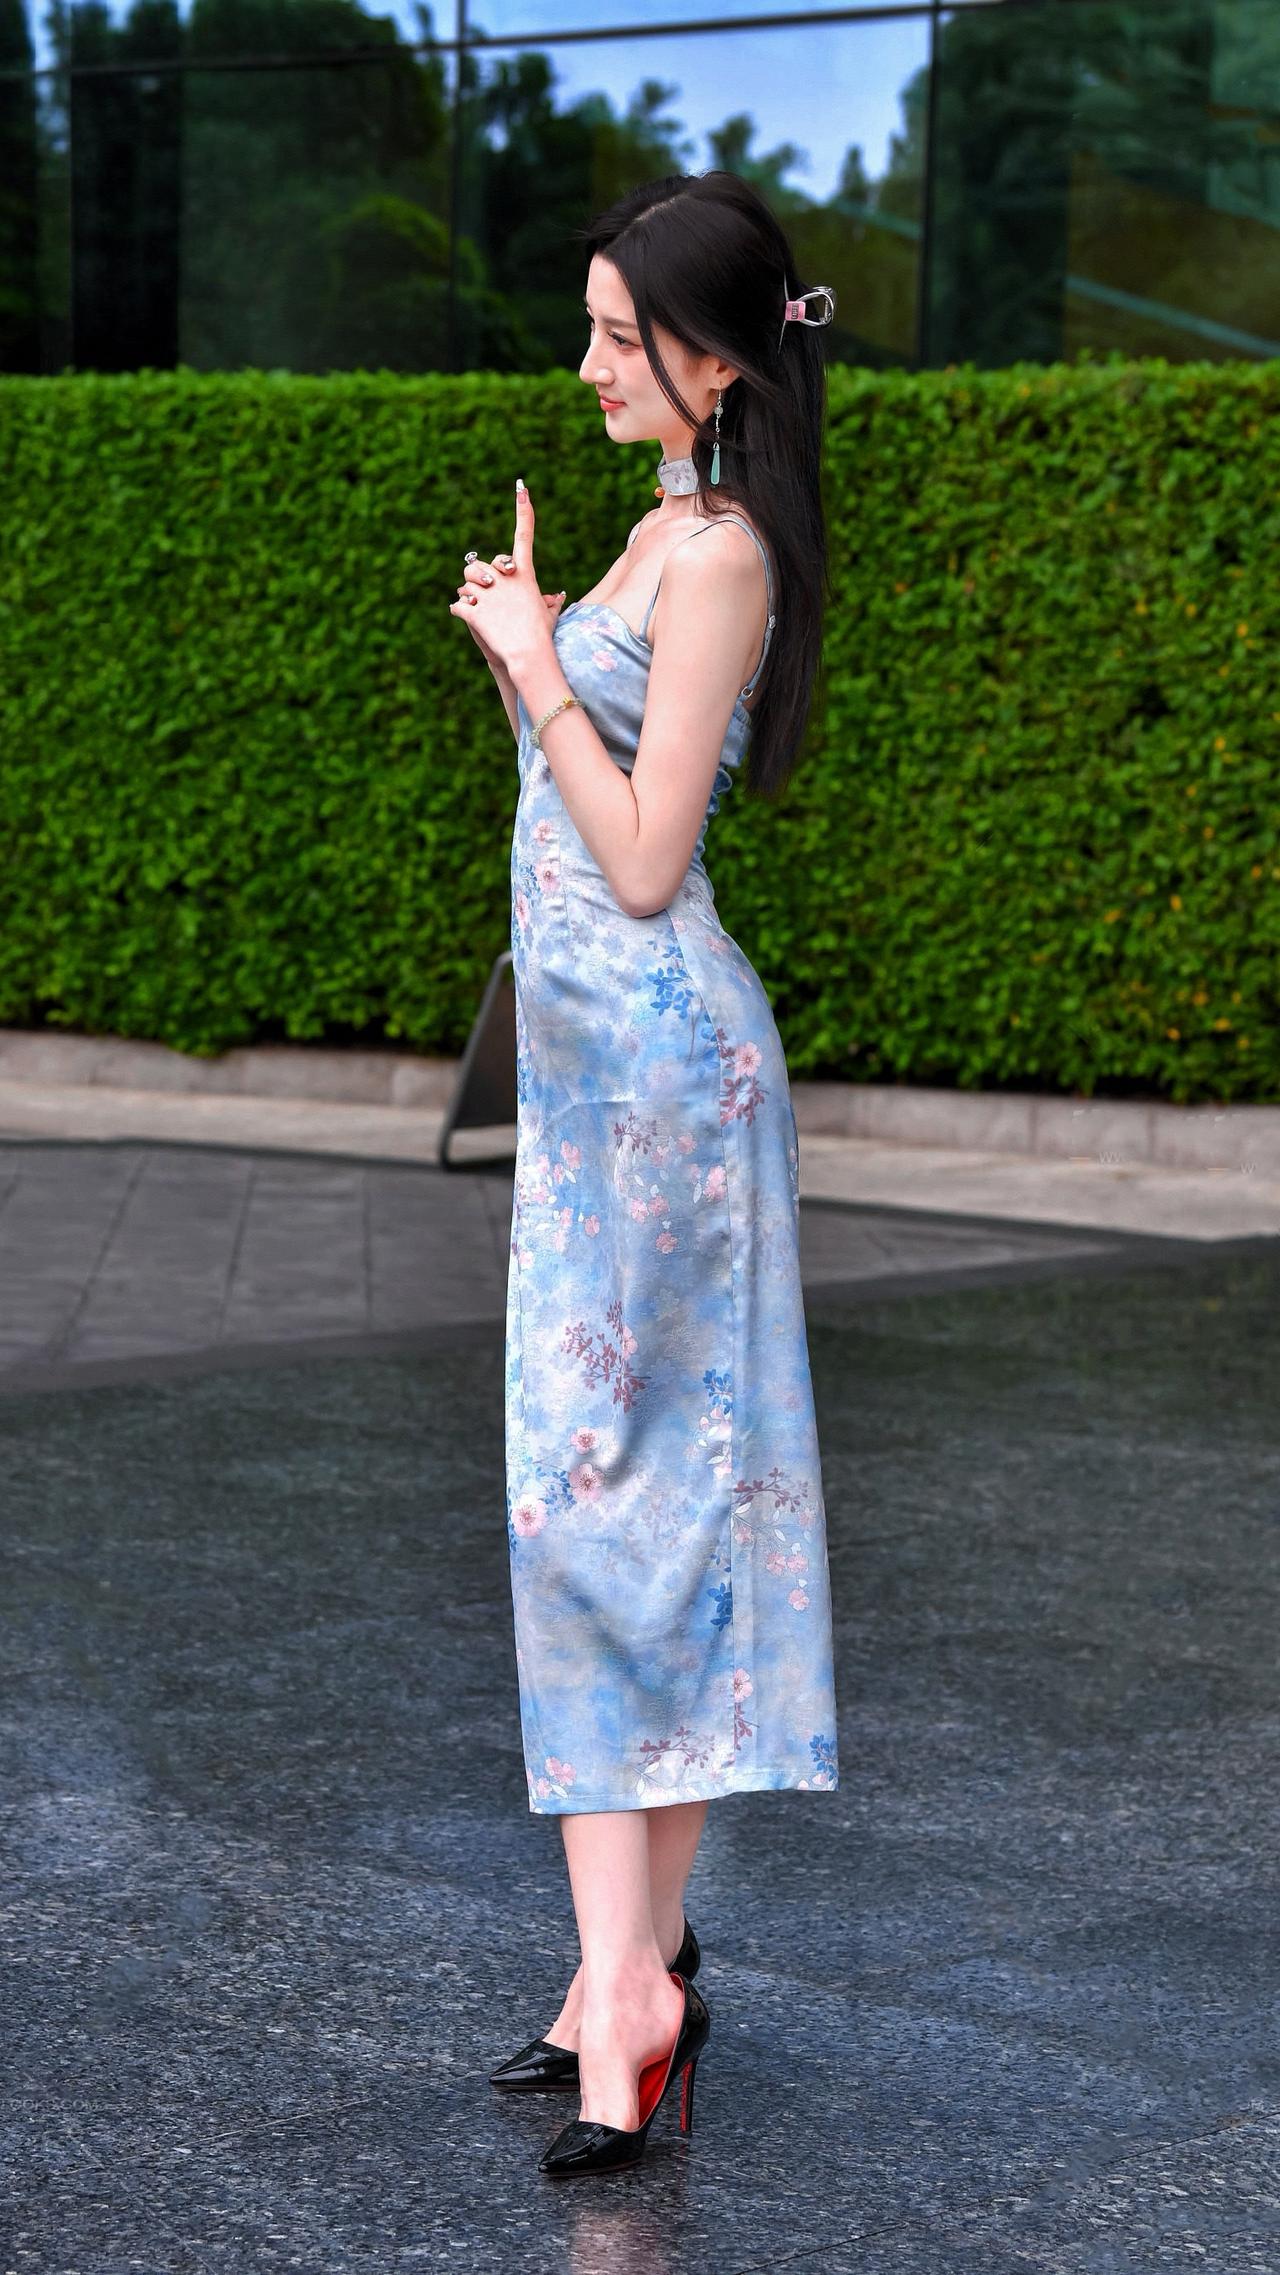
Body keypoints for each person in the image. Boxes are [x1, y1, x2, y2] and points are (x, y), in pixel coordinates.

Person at [448, 170, 840, 2179]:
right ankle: (632, 1964)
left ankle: (629, 1991)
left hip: (670, 1102)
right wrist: (537, 636)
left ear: (719, 357)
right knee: (613, 1507)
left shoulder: (724, 557)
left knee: (610, 1509)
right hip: (602, 1101)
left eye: (623, 333)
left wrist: (534, 662)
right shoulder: (659, 526)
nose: (591, 363)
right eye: (593, 326)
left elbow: (642, 859)